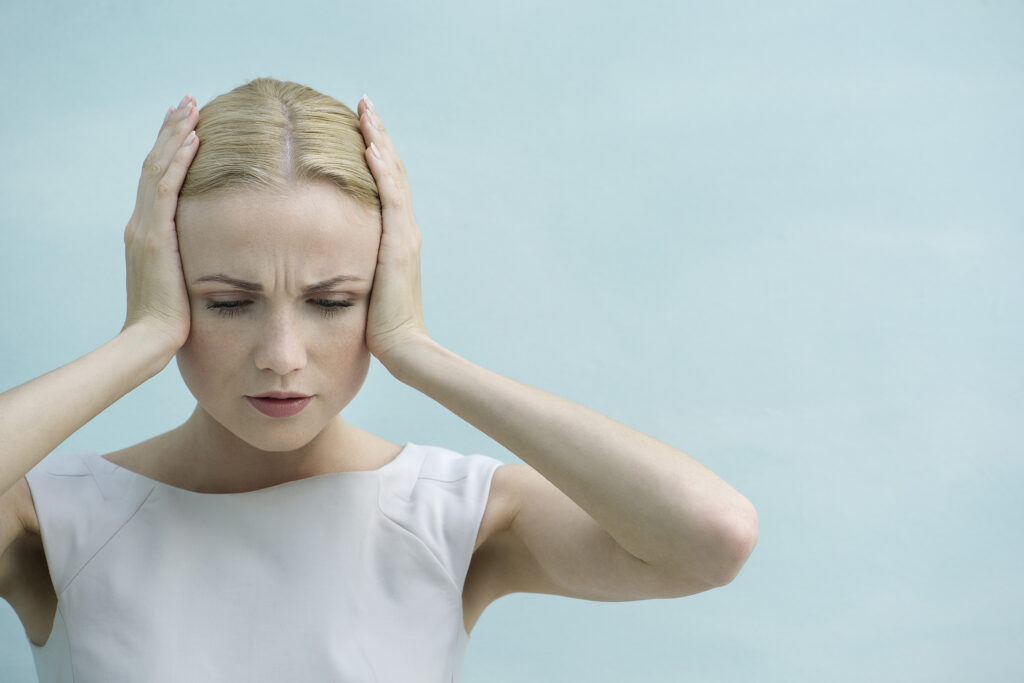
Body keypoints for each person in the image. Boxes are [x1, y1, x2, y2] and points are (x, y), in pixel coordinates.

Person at [0, 77, 759, 682]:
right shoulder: (55, 519)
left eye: (334, 302)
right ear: (164, 283)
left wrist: (416, 348)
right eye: (228, 302)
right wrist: (138, 340)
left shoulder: (456, 516)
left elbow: (711, 536)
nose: (282, 354)